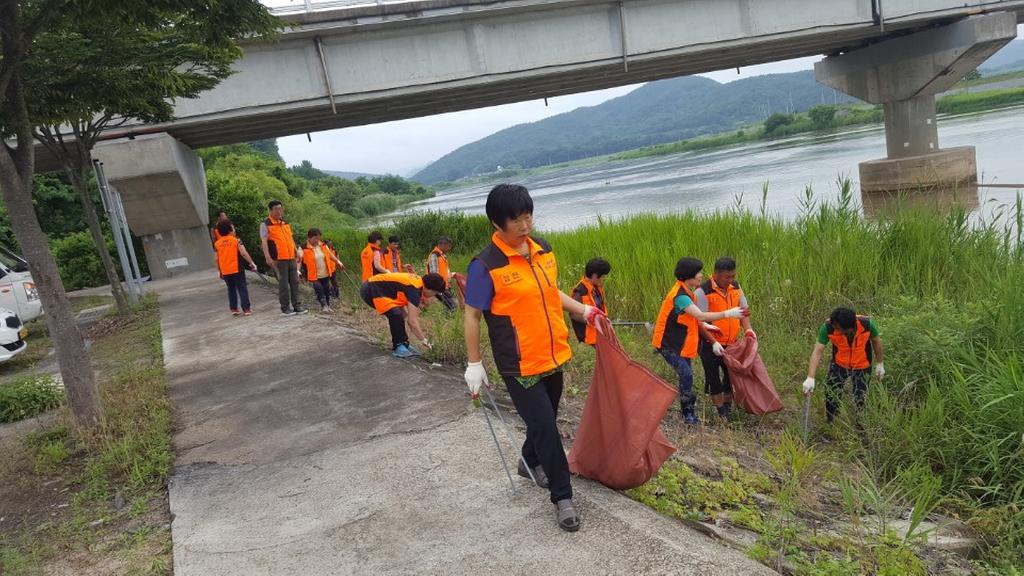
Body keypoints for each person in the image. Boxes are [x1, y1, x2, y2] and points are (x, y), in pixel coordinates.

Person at [463, 184, 604, 533]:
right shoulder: (486, 265)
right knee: (546, 428)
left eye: (528, 216)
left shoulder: (542, 249)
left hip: (552, 354)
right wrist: (474, 363)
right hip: (519, 363)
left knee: (545, 421)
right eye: (516, 220)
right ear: (497, 223)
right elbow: (472, 316)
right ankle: (562, 497)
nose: (525, 225)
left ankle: (528, 462)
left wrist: (585, 310)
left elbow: (550, 291)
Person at [651, 257, 748, 425]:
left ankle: (688, 408)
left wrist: (708, 327)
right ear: (689, 275)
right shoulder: (680, 296)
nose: (702, 276)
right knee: (686, 375)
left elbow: (693, 319)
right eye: (699, 273)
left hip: (681, 344)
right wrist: (728, 313)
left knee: (686, 376)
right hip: (668, 344)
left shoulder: (687, 291)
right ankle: (687, 413)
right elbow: (700, 315)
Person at [694, 257, 755, 418]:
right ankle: (720, 411)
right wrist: (713, 342)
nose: (730, 280)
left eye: (733, 276)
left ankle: (727, 407)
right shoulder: (702, 291)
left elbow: (743, 311)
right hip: (710, 343)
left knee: (730, 376)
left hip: (731, 343)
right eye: (727, 277)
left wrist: (748, 330)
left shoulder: (736, 287)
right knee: (713, 377)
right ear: (716, 274)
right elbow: (698, 321)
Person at [802, 307, 885, 422]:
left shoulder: (867, 325)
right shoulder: (828, 327)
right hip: (839, 364)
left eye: (841, 330)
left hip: (862, 365)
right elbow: (818, 351)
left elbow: (876, 342)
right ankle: (831, 419)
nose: (838, 331)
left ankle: (860, 423)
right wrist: (810, 377)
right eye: (836, 328)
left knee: (860, 396)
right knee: (831, 392)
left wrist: (880, 364)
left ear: (852, 326)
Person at [360, 272, 445, 358]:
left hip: (379, 289)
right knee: (395, 314)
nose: (432, 296)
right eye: (435, 293)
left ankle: (404, 344)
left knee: (400, 315)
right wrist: (424, 340)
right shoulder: (415, 289)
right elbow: (412, 322)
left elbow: (406, 314)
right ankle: (398, 345)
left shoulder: (417, 283)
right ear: (430, 289)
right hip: (371, 289)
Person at [260, 200, 306, 315]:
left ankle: (297, 305)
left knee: (295, 282)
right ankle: (285, 307)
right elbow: (264, 242)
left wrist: (297, 252)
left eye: (280, 208)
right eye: (276, 209)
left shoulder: (285, 223)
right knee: (283, 284)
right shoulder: (265, 224)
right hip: (279, 259)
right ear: (270, 210)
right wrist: (268, 257)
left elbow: (291, 239)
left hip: (291, 257)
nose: (279, 211)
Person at [214, 220, 258, 316]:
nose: (234, 230)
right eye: (233, 228)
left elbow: (217, 259)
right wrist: (252, 263)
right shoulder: (236, 240)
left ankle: (234, 308)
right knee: (242, 287)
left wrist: (220, 271)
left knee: (231, 289)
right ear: (230, 230)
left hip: (225, 270)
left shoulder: (217, 244)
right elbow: (243, 253)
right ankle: (246, 309)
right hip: (237, 268)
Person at [301, 229, 345, 312]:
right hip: (314, 274)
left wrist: (338, 262)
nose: (317, 240)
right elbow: (299, 260)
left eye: (318, 238)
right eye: (315, 238)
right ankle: (324, 306)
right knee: (319, 289)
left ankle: (328, 306)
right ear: (309, 238)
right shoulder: (304, 247)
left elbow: (330, 255)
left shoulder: (323, 245)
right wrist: (297, 270)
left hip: (325, 273)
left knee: (326, 290)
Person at [571, 258, 611, 345]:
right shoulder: (580, 291)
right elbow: (573, 315)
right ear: (594, 275)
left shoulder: (596, 286)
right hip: (588, 333)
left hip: (599, 329)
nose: (603, 279)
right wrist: (592, 321)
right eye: (603, 276)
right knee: (605, 353)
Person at [427, 236, 459, 310]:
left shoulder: (442, 255)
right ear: (442, 245)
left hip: (445, 286)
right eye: (448, 246)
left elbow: (445, 271)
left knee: (451, 307)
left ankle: (448, 319)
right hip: (440, 287)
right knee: (452, 307)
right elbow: (434, 275)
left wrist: (451, 276)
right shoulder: (434, 255)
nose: (449, 248)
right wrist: (439, 289)